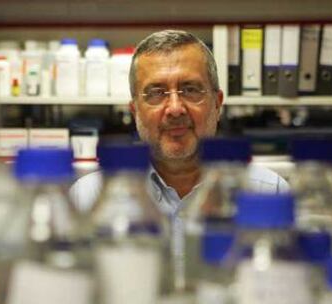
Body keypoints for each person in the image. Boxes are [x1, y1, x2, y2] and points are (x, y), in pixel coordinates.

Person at [70, 30, 288, 284]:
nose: (174, 108)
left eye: (190, 89)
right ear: (135, 111)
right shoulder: (87, 198)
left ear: (217, 104)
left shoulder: (269, 192)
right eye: (155, 93)